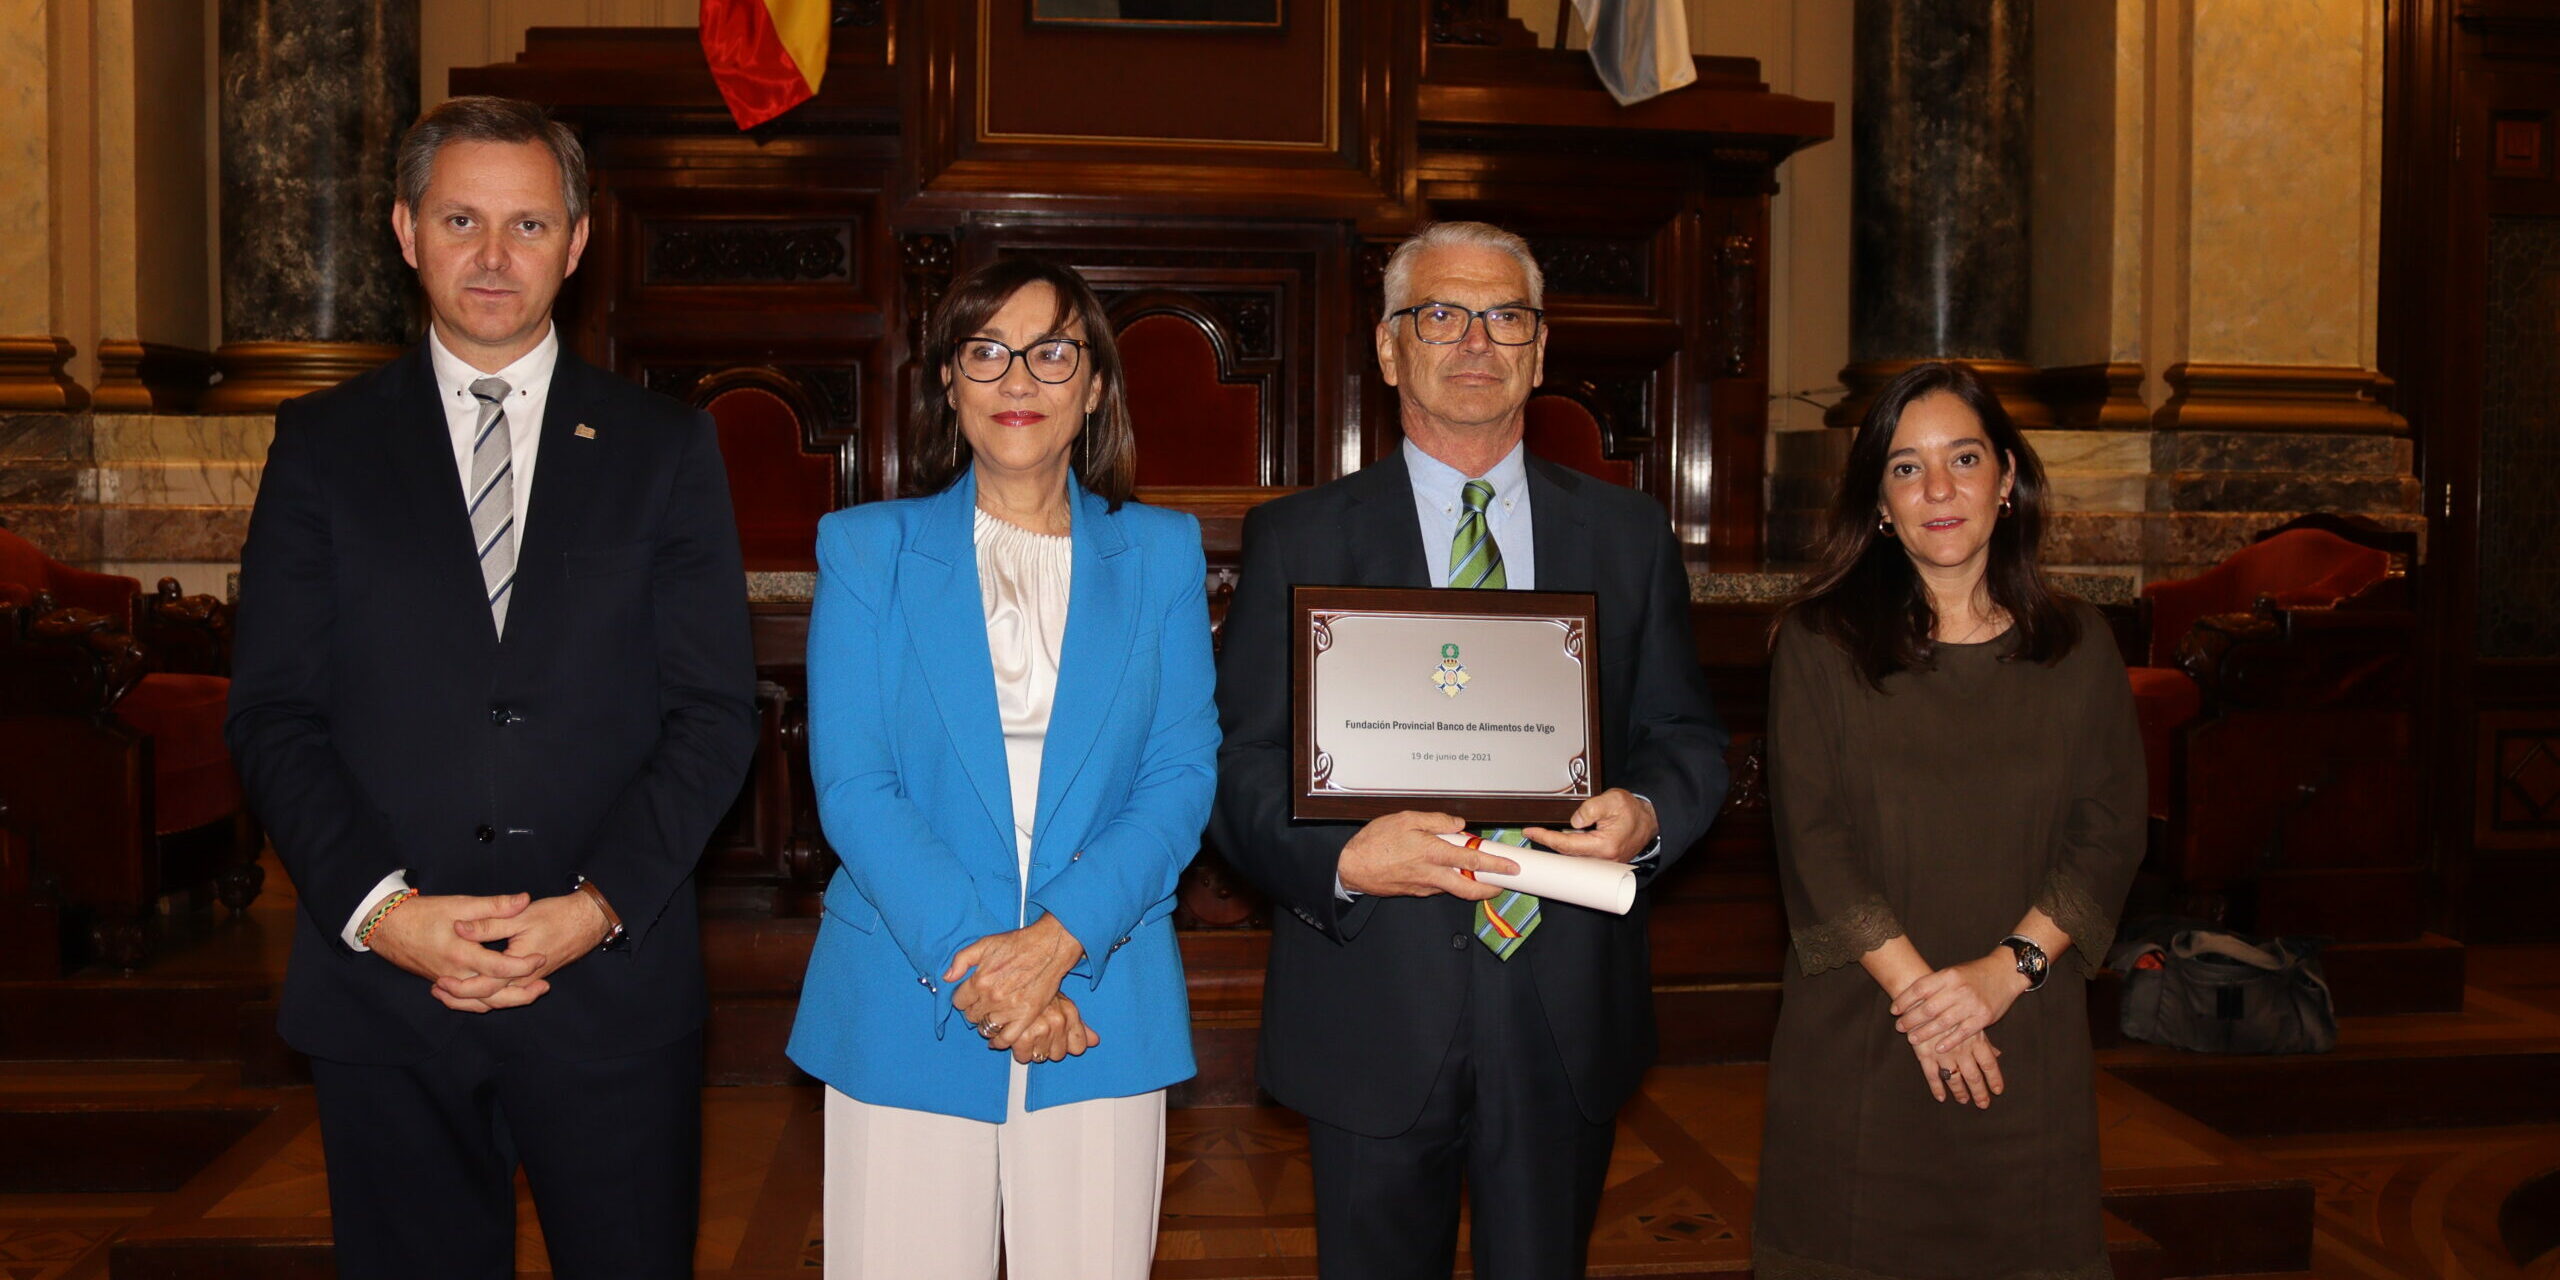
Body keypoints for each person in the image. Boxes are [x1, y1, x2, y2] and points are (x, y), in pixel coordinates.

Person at [225, 96, 757, 1278]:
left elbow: (714, 713)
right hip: (386, 989)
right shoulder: (320, 444)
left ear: (578, 242)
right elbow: (273, 712)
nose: (493, 256)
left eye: (529, 224)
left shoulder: (664, 446)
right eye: (461, 219)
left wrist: (596, 905)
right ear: (405, 230)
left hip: (609, 984)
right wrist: (387, 914)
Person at [1209, 221, 1729, 1278]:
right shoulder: (1298, 536)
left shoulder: (1627, 536)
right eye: (1442, 314)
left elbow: (1685, 734)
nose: (1477, 341)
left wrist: (1645, 816)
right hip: (1373, 999)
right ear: (1389, 348)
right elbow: (1235, 763)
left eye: (1506, 317)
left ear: (1539, 352)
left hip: (1563, 1004)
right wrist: (1343, 860)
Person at [785, 256, 1218, 1279]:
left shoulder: (1161, 552)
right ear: (949, 380)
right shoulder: (866, 549)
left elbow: (1180, 774)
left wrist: (1060, 940)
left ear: (1095, 386)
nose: (1017, 379)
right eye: (987, 351)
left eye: (1051, 352)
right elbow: (854, 785)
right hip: (910, 983)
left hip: (1100, 988)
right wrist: (991, 971)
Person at [1751, 360, 2146, 1280]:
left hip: (2024, 1034)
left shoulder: (2079, 645)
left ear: (2006, 480)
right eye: (1906, 467)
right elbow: (1813, 842)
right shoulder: (1817, 644)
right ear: (1879, 503)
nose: (1938, 488)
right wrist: (1934, 1007)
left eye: (1963, 458)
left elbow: (2110, 830)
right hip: (1861, 1036)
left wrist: (2003, 977)